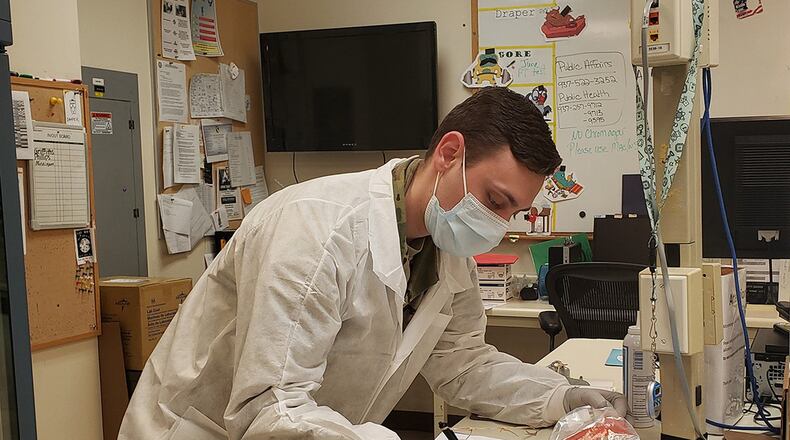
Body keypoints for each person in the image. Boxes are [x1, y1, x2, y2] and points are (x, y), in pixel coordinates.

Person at [119, 87, 626, 440]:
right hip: (202, 430)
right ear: (450, 153)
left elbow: (463, 365)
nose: (498, 224)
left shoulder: (445, 251)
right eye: (495, 201)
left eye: (513, 210)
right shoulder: (316, 230)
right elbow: (269, 409)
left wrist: (562, 398)